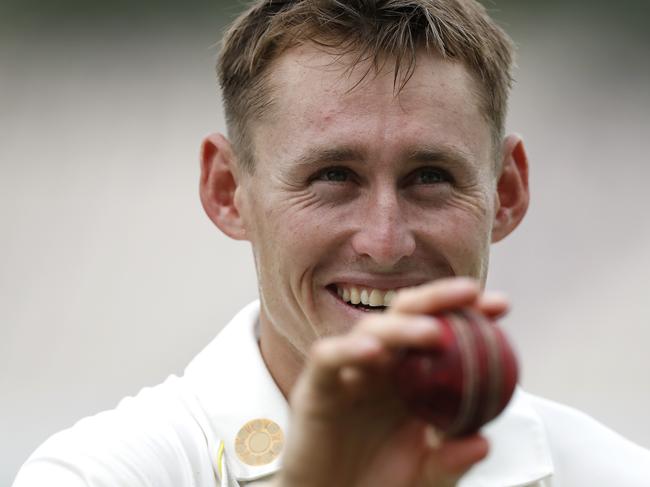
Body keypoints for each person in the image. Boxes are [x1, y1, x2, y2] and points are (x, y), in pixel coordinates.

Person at [12, 1, 650, 486]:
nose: (385, 241)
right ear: (227, 190)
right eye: (332, 177)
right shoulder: (97, 473)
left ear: (506, 193)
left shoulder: (615, 474)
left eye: (431, 177)